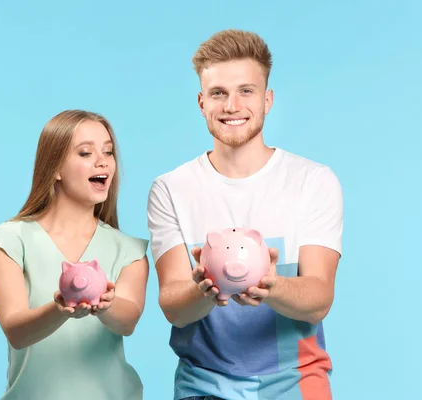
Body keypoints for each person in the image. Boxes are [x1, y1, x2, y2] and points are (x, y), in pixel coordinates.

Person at [147, 29, 344, 400]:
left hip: (296, 382)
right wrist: (205, 290)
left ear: (267, 100)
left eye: (246, 91)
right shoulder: (171, 189)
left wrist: (271, 285)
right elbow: (173, 306)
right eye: (218, 93)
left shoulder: (313, 181)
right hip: (204, 384)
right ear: (201, 102)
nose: (232, 106)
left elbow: (319, 299)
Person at [0, 110, 149, 400]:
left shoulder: (129, 250)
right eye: (85, 153)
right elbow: (16, 332)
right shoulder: (6, 242)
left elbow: (128, 321)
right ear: (55, 168)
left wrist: (106, 305)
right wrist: (60, 309)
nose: (102, 161)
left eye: (108, 151)